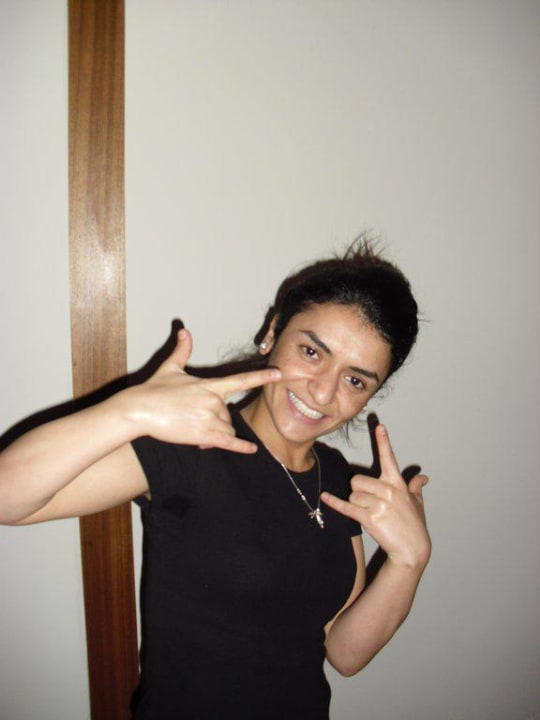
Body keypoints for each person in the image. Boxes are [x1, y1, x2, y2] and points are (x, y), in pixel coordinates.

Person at [0, 239, 431, 719]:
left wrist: (408, 563)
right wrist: (131, 410)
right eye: (312, 352)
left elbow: (344, 652)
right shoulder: (195, 447)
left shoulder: (335, 478)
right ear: (273, 332)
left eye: (355, 380)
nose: (323, 391)